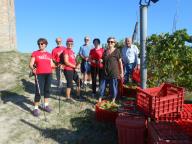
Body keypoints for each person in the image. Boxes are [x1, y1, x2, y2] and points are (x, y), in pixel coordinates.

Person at [29, 38, 55, 117]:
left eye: (42, 43)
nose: (40, 45)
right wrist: (33, 69)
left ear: (45, 44)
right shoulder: (35, 53)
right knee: (38, 91)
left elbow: (52, 64)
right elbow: (31, 64)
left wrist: (58, 66)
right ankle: (36, 108)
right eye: (39, 44)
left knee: (47, 90)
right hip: (39, 74)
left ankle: (45, 105)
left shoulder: (49, 54)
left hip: (48, 74)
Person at [99, 37, 124, 103]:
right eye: (108, 41)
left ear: (114, 43)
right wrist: (101, 60)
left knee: (113, 86)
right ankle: (100, 99)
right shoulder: (105, 51)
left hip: (114, 72)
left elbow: (120, 62)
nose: (110, 43)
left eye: (112, 42)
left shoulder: (117, 51)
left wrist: (122, 72)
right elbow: (103, 60)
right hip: (105, 71)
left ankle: (113, 100)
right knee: (102, 86)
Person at [63, 38, 81, 102]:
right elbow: (66, 62)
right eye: (68, 43)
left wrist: (78, 64)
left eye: (71, 44)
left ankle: (78, 96)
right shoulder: (66, 51)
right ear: (66, 44)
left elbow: (74, 61)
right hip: (68, 69)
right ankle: (67, 98)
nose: (70, 45)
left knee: (79, 81)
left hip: (73, 69)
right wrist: (75, 66)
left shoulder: (72, 52)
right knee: (69, 83)